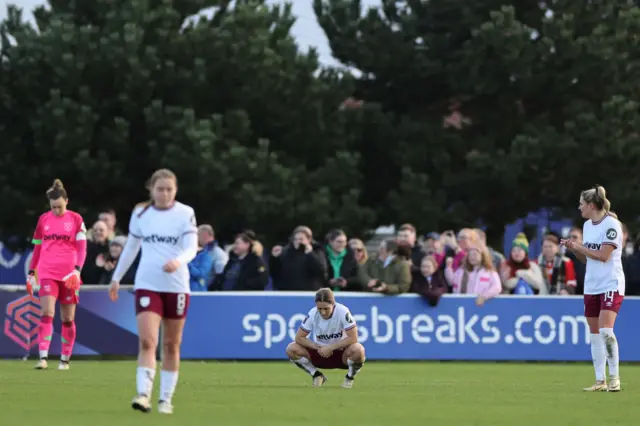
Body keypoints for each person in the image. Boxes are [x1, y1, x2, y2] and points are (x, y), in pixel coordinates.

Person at [108, 169, 198, 414]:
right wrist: (116, 277)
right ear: (151, 189)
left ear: (175, 190)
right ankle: (143, 394)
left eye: (170, 189)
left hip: (177, 285)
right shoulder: (141, 212)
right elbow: (131, 247)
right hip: (148, 283)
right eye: (160, 189)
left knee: (171, 344)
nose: (165, 193)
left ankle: (165, 398)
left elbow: (191, 247)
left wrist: (178, 261)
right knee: (147, 341)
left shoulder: (185, 213)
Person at [560, 185, 624, 392]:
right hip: (592, 284)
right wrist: (574, 249)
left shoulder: (611, 225)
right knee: (595, 333)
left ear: (591, 205)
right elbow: (587, 258)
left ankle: (615, 378)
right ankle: (600, 380)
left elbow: (604, 256)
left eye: (581, 204)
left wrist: (579, 247)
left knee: (606, 330)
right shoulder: (588, 226)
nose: (579, 208)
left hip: (610, 283)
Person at [26, 179, 87, 370]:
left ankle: (64, 360)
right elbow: (37, 248)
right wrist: (31, 273)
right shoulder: (43, 220)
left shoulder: (76, 220)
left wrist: (77, 271)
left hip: (69, 275)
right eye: (53, 207)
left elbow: (82, 248)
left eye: (59, 207)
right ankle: (43, 357)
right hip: (47, 272)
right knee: (47, 312)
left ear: (67, 201)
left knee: (67, 319)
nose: (56, 211)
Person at [286, 288, 366, 389]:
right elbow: (299, 337)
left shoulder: (343, 311)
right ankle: (317, 375)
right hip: (321, 353)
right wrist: (317, 347)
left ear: (333, 304)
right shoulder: (312, 313)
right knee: (291, 349)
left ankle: (349, 378)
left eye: (326, 309)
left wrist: (331, 348)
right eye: (320, 309)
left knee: (359, 350)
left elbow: (353, 338)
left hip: (342, 354)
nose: (323, 312)